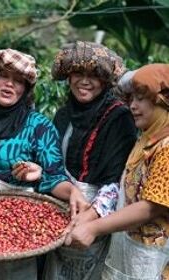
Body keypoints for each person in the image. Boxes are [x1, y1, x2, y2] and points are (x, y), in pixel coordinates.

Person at [0, 48, 89, 280]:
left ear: (26, 89)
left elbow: (54, 176)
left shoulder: (38, 126)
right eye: (4, 76)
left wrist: (68, 189)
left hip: (17, 221)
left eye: (18, 80)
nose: (10, 84)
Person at [43, 41, 138, 280]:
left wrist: (89, 219)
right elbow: (53, 164)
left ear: (105, 82)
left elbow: (116, 181)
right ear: (68, 76)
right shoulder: (63, 115)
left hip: (97, 216)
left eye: (94, 75)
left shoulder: (119, 117)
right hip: (60, 211)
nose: (84, 81)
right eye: (78, 73)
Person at [65, 63, 169, 279]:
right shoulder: (145, 140)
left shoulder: (166, 148)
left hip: (155, 259)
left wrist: (94, 228)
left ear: (164, 102)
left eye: (141, 99)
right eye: (131, 99)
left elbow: (150, 208)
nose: (132, 105)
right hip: (130, 250)